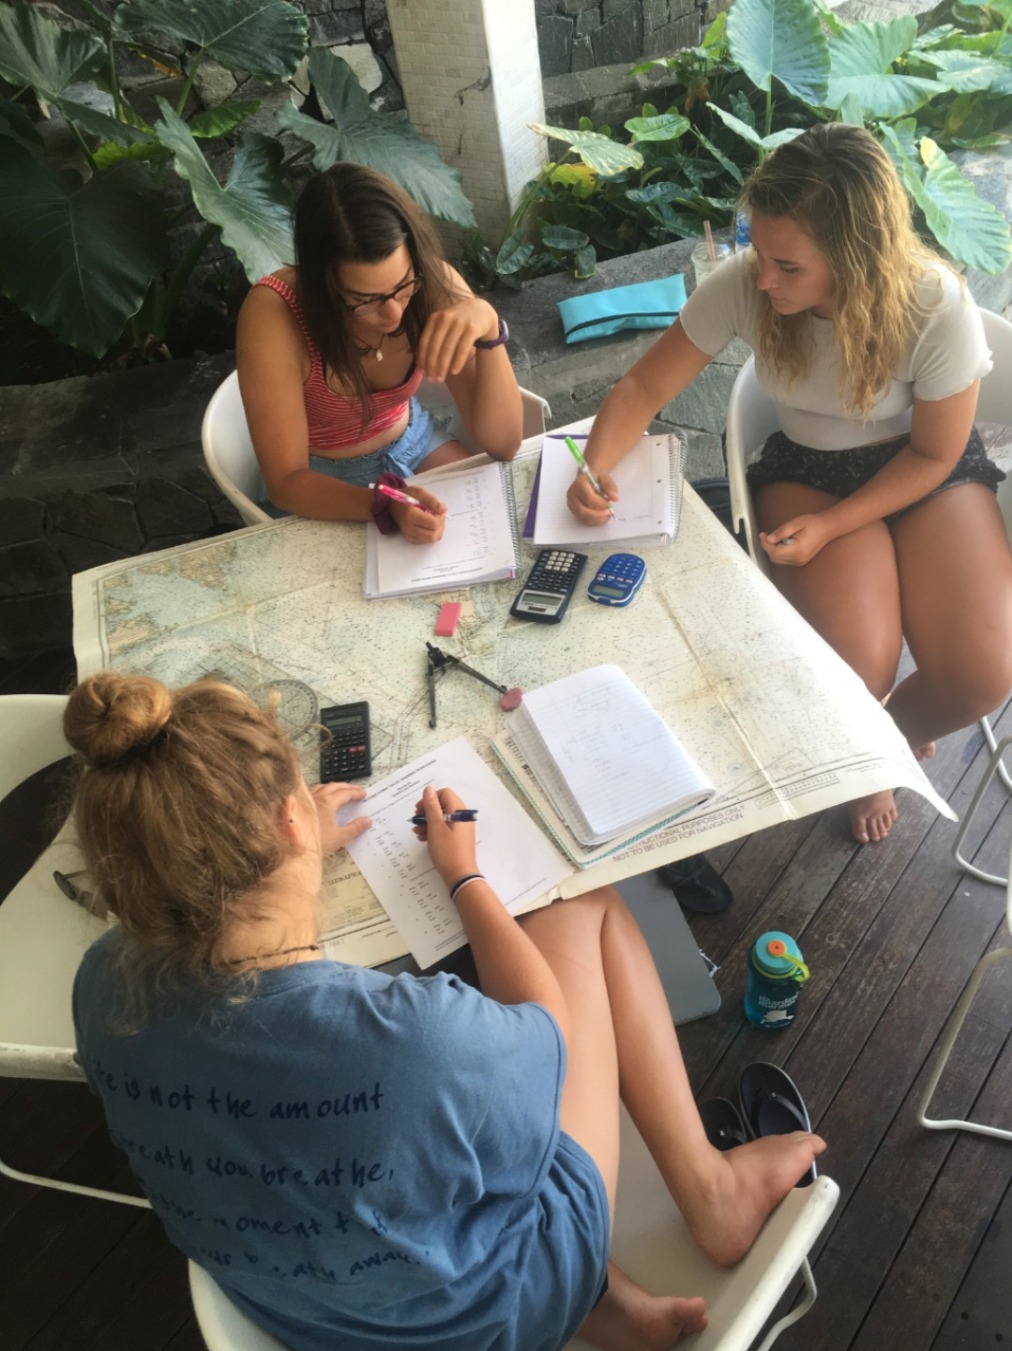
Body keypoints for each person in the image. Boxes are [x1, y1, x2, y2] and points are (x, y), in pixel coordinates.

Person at [69, 671, 824, 1351]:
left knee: (380, 1155)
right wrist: (464, 876)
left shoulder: (99, 986)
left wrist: (285, 860)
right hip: (488, 1321)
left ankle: (613, 1305)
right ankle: (709, 1192)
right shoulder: (414, 1040)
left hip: (310, 1316)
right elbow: (546, 1023)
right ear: (289, 821)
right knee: (581, 904)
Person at [567, 123, 1012, 846]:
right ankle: (867, 740)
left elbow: (935, 454)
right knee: (858, 663)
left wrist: (837, 526)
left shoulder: (935, 305)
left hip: (925, 467)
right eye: (758, 248)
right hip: (810, 467)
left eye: (787, 266)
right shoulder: (747, 282)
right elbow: (645, 384)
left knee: (981, 676)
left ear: (857, 258)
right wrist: (595, 466)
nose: (763, 278)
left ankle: (883, 742)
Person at [236, 162, 522, 542]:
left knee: (496, 527)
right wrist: (385, 503)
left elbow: (503, 444)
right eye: (364, 300)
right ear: (323, 285)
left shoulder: (432, 282)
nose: (393, 314)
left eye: (403, 286)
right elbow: (287, 481)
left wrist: (489, 328)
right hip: (323, 481)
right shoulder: (276, 314)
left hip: (415, 442)